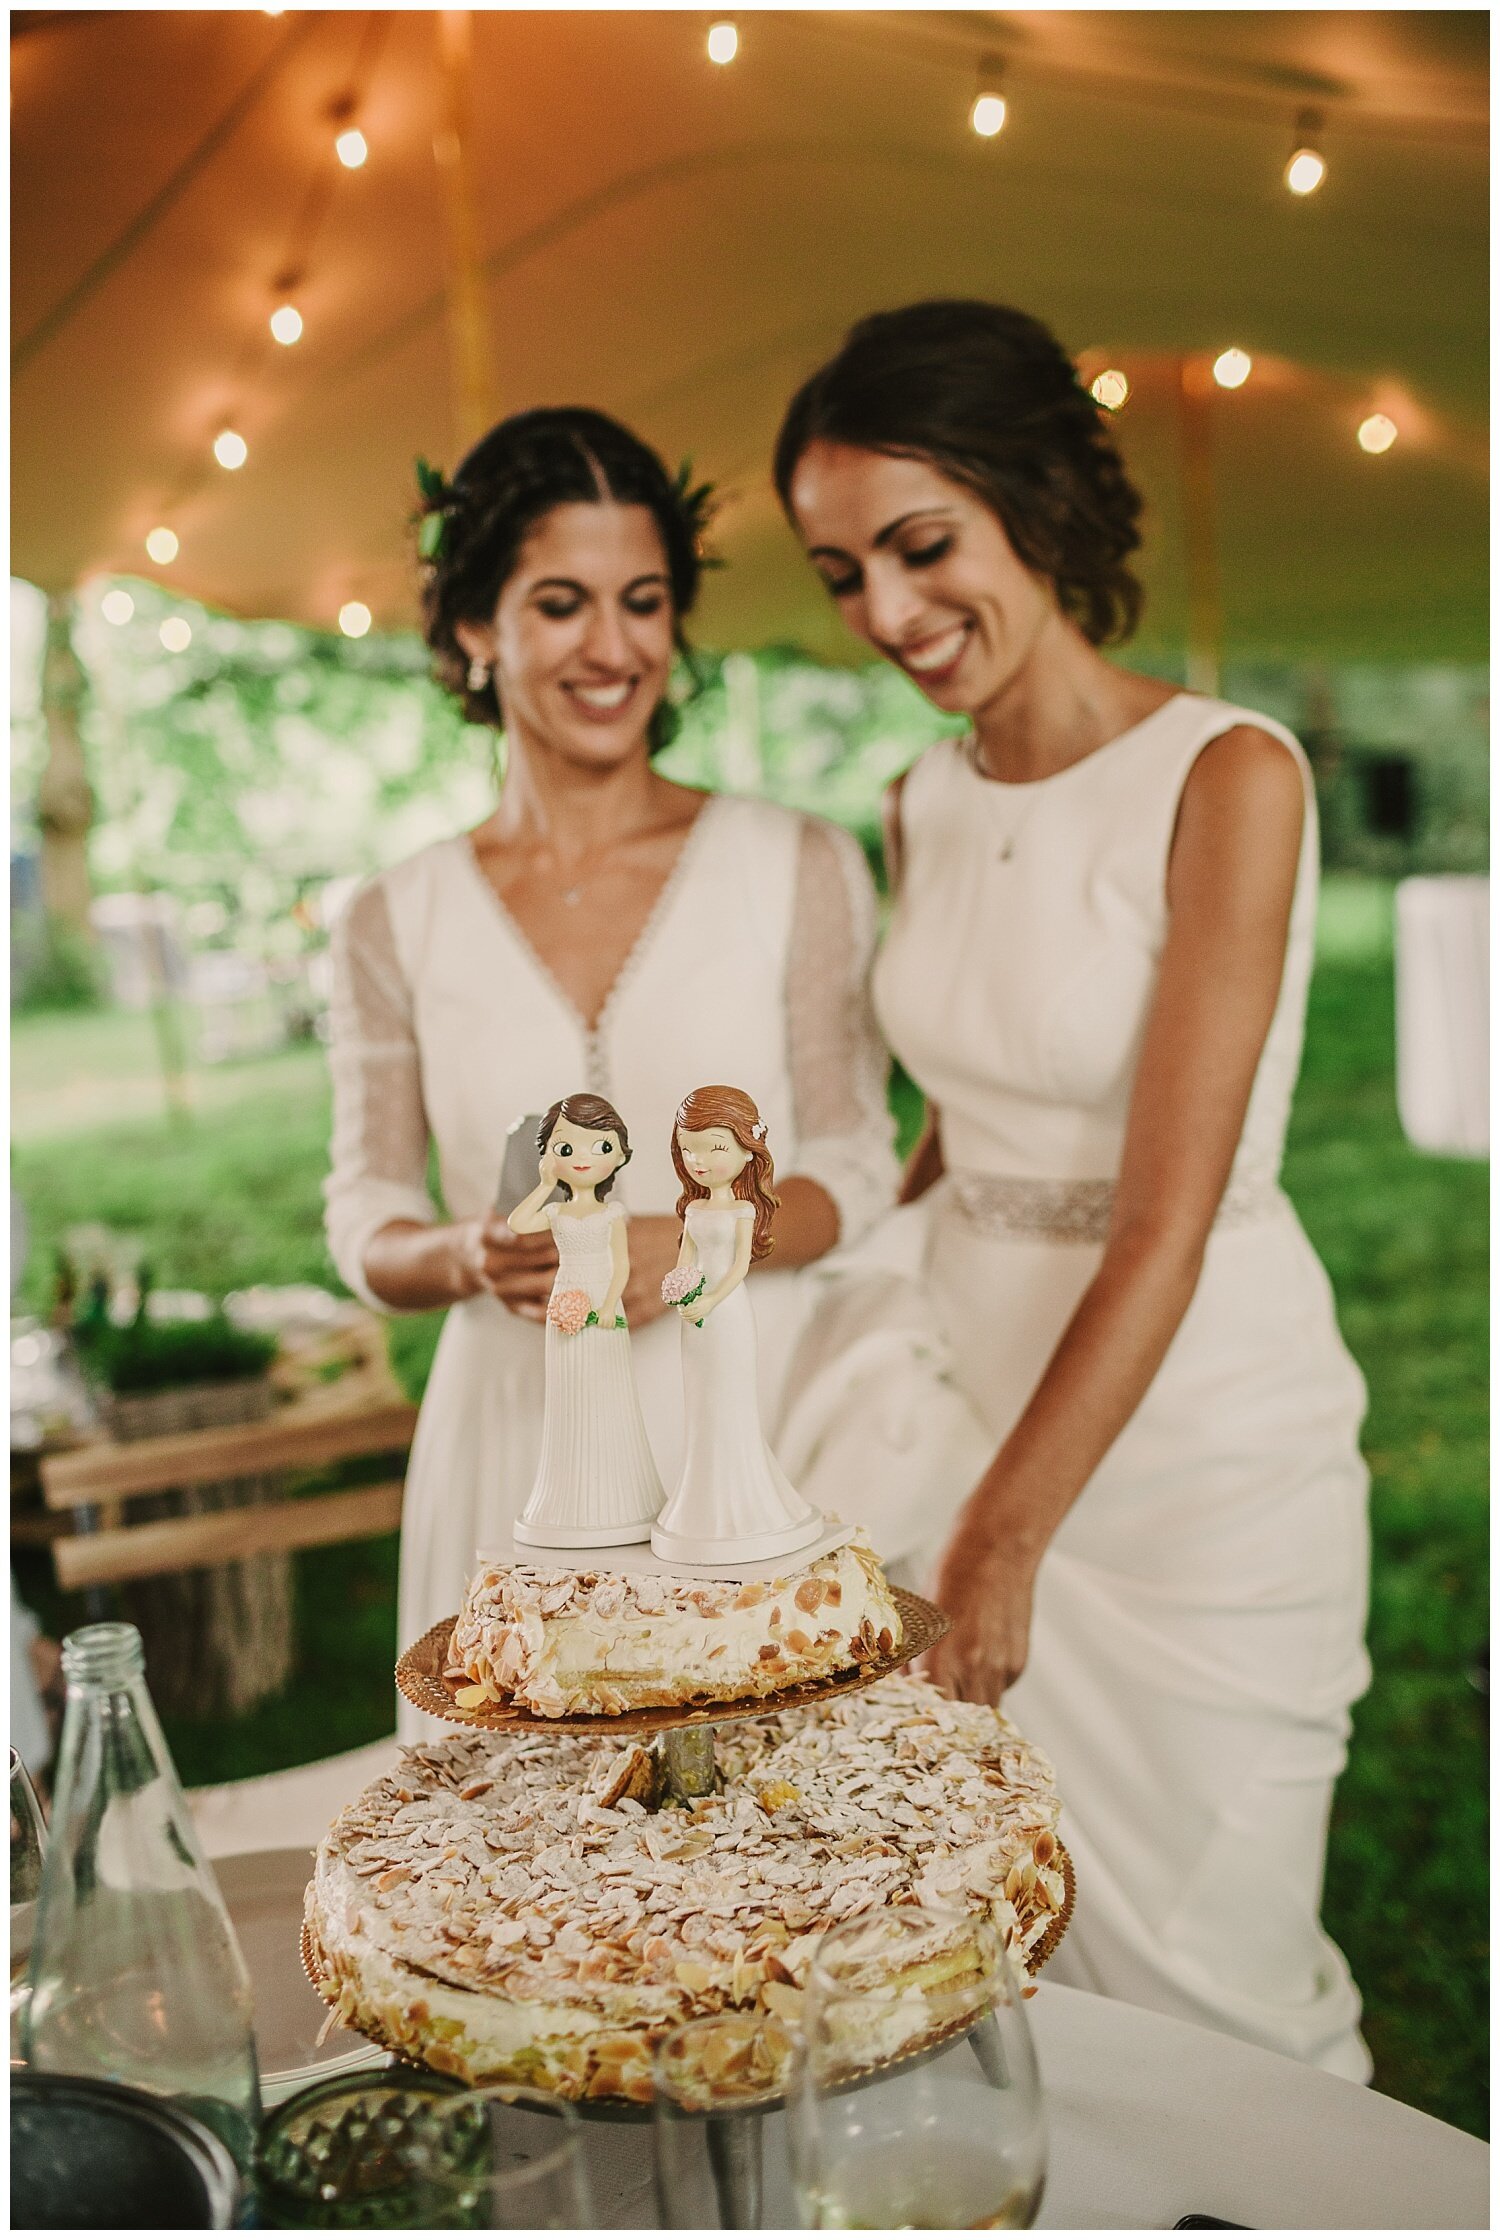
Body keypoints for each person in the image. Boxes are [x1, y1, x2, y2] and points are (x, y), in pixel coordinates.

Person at [774, 300, 1372, 2079]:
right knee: (963, 1946)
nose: (885, 614)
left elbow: (1163, 1212)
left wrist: (1000, 1542)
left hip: (1181, 1444)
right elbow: (964, 1112)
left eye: (920, 545)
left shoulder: (1227, 776)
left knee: (1218, 1960)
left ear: (1034, 503)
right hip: (952, 1396)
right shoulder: (917, 800)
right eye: (839, 574)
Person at [322, 406, 900, 1733]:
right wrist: (472, 1253)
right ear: (477, 627)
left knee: (768, 1870)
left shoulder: (795, 866)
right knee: (537, 1877)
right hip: (511, 1441)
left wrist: (706, 1238)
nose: (614, 646)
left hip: (756, 1431)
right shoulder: (390, 917)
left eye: (644, 602)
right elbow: (362, 1217)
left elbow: (857, 1166)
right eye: (562, 602)